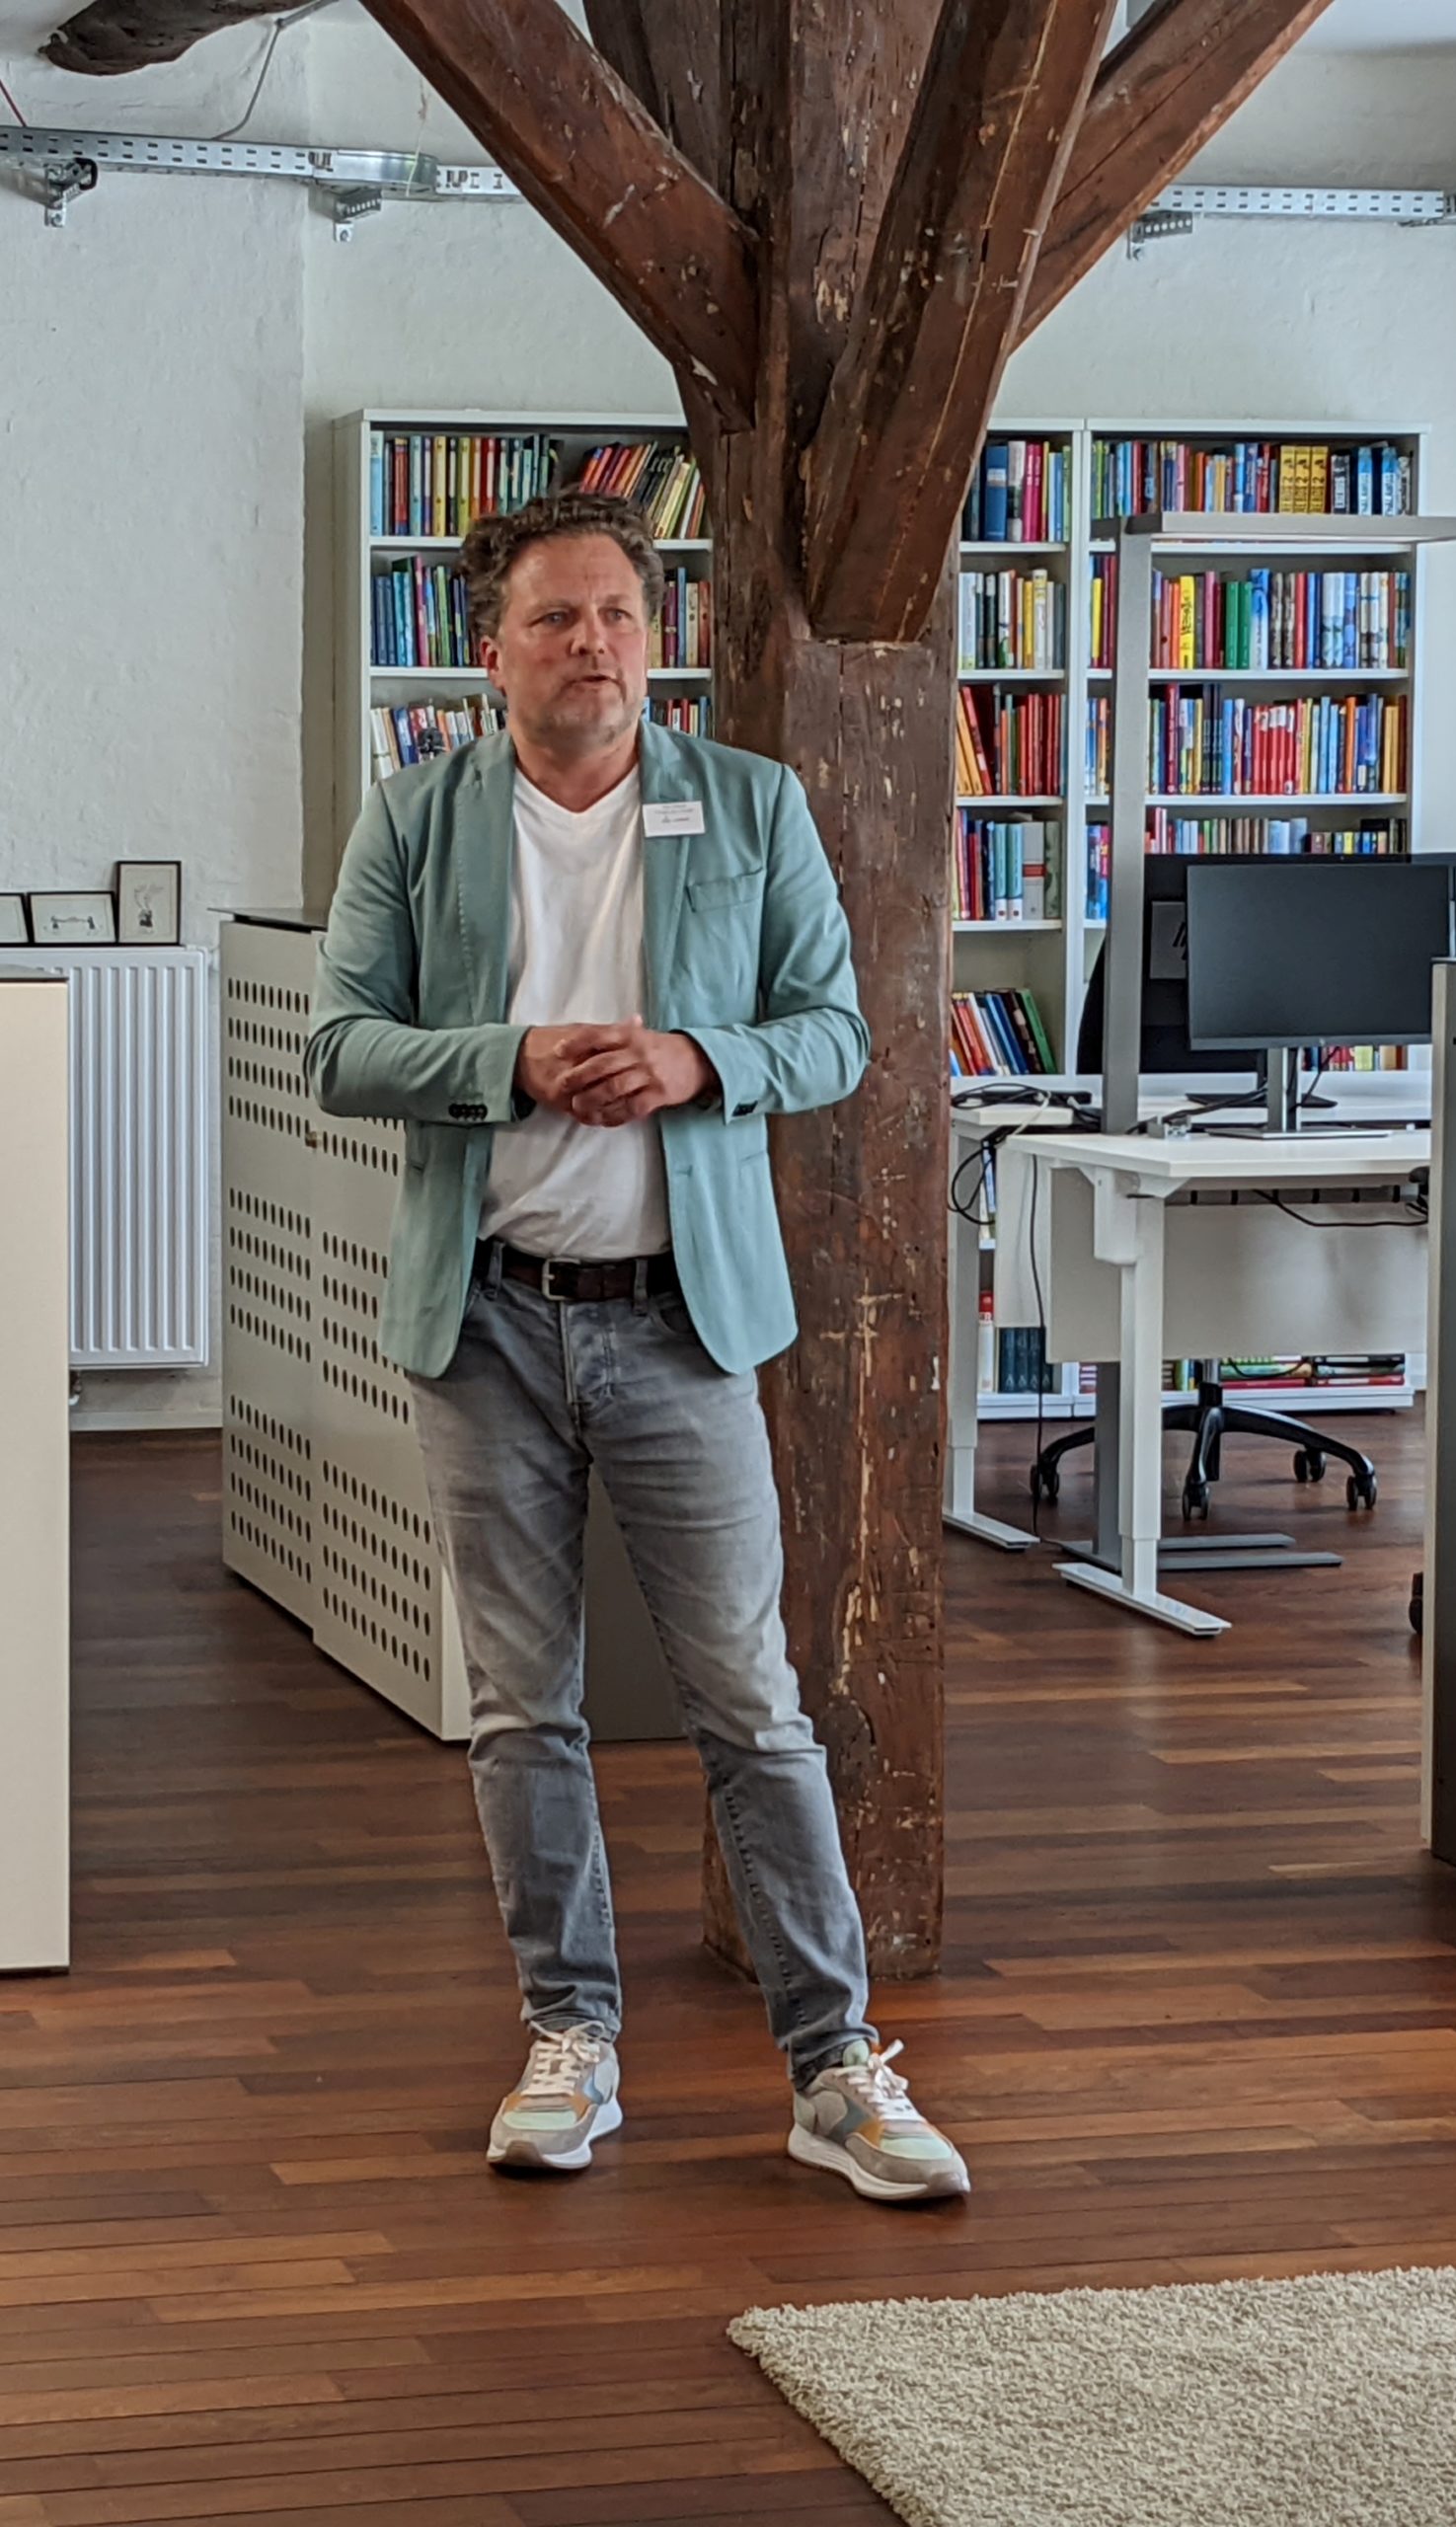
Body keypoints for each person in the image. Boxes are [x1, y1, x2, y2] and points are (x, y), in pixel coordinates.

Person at [306, 486, 967, 2205]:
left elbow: (834, 1033)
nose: (590, 645)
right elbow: (338, 1046)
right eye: (552, 618)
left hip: (681, 1323)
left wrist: (698, 1059)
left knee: (750, 1703)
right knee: (524, 1708)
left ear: (651, 637)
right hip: (484, 1322)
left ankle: (835, 2069)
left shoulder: (746, 803)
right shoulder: (417, 816)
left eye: (615, 614)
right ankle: (569, 2037)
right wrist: (507, 1062)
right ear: (489, 650)